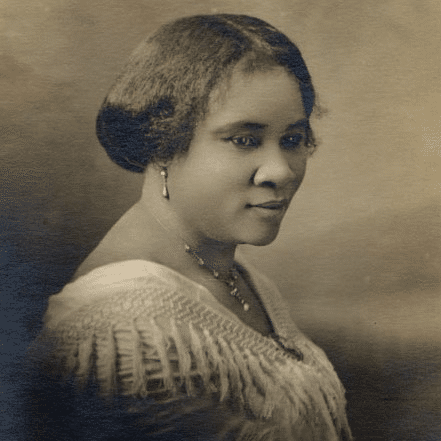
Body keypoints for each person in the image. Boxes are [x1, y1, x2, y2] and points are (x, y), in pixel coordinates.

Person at [29, 14, 352, 440]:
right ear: (163, 142)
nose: (281, 171)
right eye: (244, 140)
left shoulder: (237, 276)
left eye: (292, 139)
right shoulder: (127, 329)